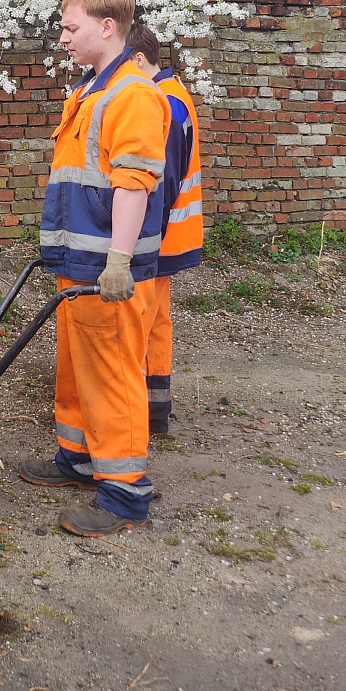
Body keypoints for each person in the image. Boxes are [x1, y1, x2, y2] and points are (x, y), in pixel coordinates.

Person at [17, 0, 171, 537]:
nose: (62, 37)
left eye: (70, 27)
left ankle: (125, 495)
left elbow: (133, 185)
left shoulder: (132, 95)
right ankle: (79, 460)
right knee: (77, 370)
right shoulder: (90, 90)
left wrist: (119, 262)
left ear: (108, 27)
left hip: (107, 267)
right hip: (74, 260)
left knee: (111, 376)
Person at [127, 23, 204, 435]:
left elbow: (165, 178)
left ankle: (135, 413)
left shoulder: (165, 104)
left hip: (160, 237)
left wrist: (140, 238)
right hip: (173, 235)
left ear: (139, 60)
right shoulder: (176, 96)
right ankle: (154, 409)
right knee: (156, 322)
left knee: (139, 322)